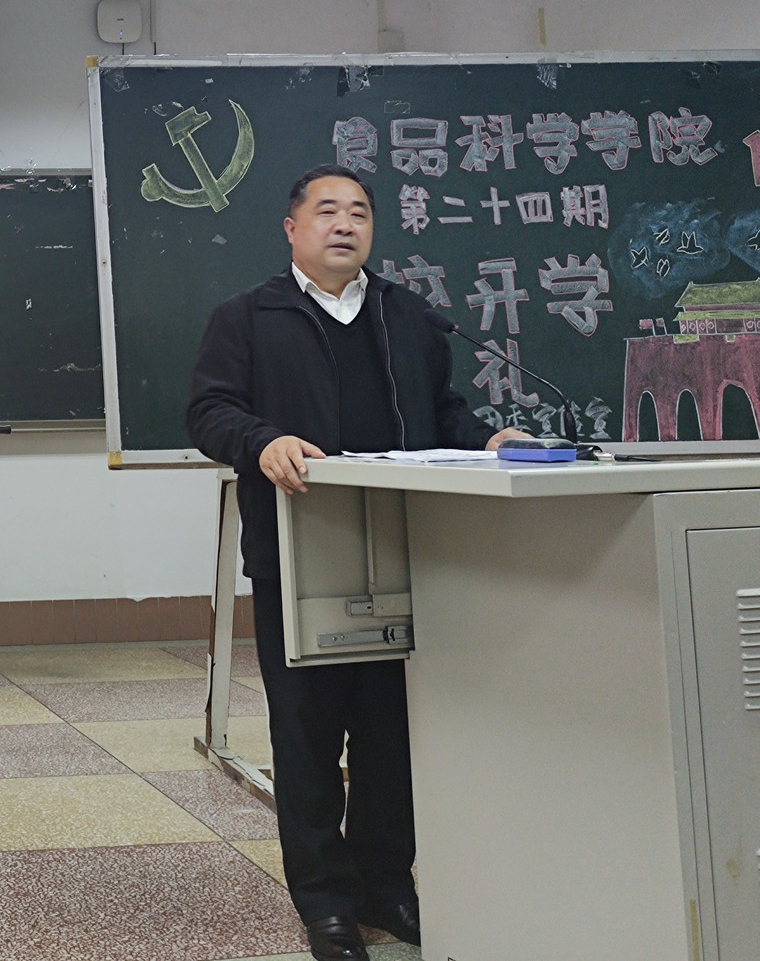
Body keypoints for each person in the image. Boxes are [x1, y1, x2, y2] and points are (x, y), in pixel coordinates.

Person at [186, 164, 527, 961]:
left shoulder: (407, 314)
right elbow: (209, 411)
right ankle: (326, 903)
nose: (345, 224)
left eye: (360, 212)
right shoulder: (247, 317)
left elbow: (440, 412)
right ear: (292, 227)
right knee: (307, 738)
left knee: (390, 734)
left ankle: (387, 886)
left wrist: (489, 439)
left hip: (404, 552)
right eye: (328, 210)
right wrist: (262, 440)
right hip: (299, 554)